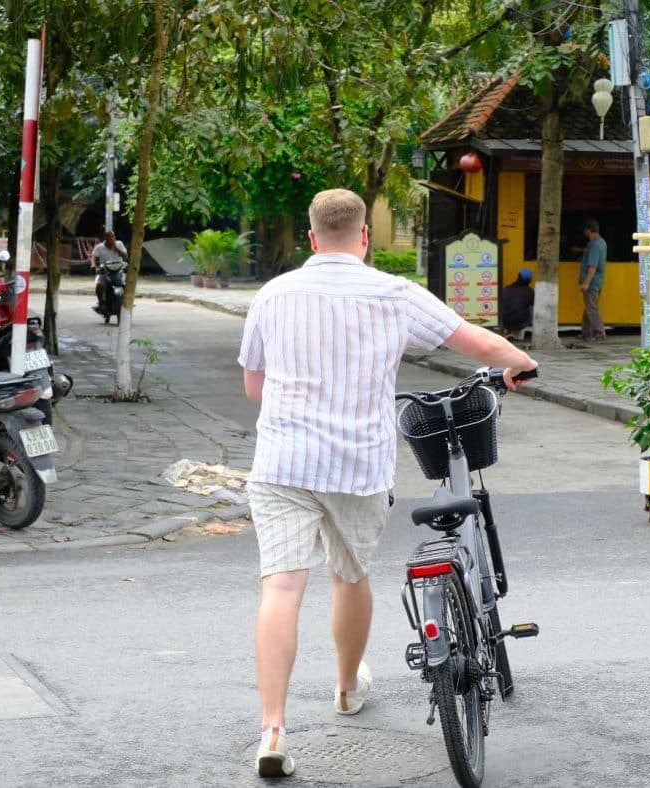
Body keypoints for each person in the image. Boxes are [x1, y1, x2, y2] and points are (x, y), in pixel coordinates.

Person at [237, 188, 538, 779]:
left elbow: (255, 386)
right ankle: (348, 687)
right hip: (356, 464)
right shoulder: (392, 292)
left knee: (280, 589)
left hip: (282, 463)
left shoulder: (273, 294)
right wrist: (516, 364)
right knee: (349, 576)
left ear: (313, 236)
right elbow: (470, 338)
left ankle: (272, 729)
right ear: (365, 238)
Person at [579, 219, 607, 342]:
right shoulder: (601, 242)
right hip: (597, 281)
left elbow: (592, 266)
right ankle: (586, 332)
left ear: (588, 231)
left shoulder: (595, 245)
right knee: (589, 307)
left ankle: (599, 334)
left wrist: (586, 283)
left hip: (592, 282)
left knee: (592, 308)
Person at [91, 231, 127, 305]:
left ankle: (126, 302)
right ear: (105, 238)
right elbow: (93, 257)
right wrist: (93, 265)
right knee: (99, 286)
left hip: (118, 269)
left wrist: (115, 247)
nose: (112, 238)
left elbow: (125, 255)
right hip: (104, 270)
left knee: (126, 285)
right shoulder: (99, 247)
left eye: (113, 236)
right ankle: (100, 302)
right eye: (110, 237)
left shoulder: (119, 244)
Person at [499, 267, 535, 337]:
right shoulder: (529, 291)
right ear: (529, 280)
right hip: (521, 323)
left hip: (505, 323)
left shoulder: (506, 289)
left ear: (518, 277)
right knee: (534, 305)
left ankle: (507, 330)